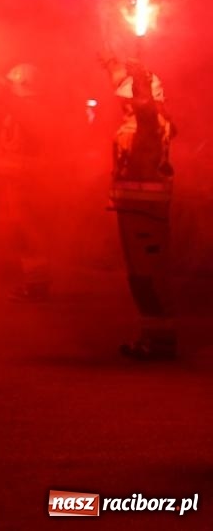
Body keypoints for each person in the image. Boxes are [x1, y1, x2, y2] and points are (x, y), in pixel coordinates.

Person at [104, 57, 177, 361]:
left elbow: (146, 108)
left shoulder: (148, 123)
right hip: (136, 211)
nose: (123, 106)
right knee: (140, 277)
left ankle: (159, 341)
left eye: (127, 101)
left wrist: (140, 81)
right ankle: (151, 336)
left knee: (147, 277)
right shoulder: (140, 123)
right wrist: (113, 67)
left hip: (144, 214)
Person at [0, 64, 51, 301]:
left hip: (27, 180)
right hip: (17, 180)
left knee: (29, 232)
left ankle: (36, 284)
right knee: (19, 230)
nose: (8, 87)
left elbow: (33, 146)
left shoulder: (30, 110)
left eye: (12, 83)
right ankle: (27, 278)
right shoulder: (21, 109)